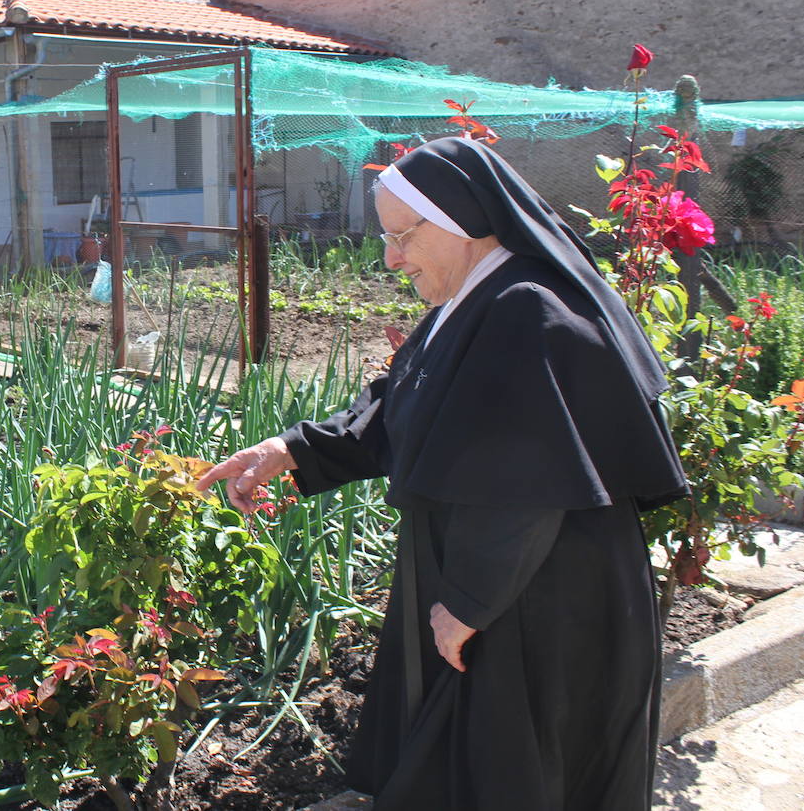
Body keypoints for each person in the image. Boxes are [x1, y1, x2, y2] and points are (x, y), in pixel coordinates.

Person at [197, 136, 688, 811]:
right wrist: (289, 450)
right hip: (494, 587)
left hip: (539, 600)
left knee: (518, 775)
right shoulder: (469, 306)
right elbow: (399, 407)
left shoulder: (527, 310)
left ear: (458, 221)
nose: (393, 259)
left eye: (401, 237)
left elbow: (530, 483)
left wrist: (468, 603)